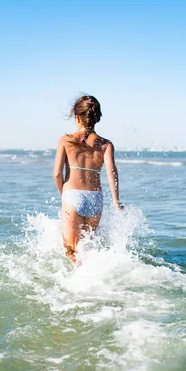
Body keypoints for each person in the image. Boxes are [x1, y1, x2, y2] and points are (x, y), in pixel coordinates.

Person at [53, 95, 123, 265]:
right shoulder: (106, 144)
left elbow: (56, 174)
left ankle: (78, 287)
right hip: (96, 200)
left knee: (71, 251)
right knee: (87, 249)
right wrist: (116, 201)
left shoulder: (66, 140)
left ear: (76, 116)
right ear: (96, 118)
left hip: (72, 197)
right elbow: (111, 171)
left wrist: (65, 195)